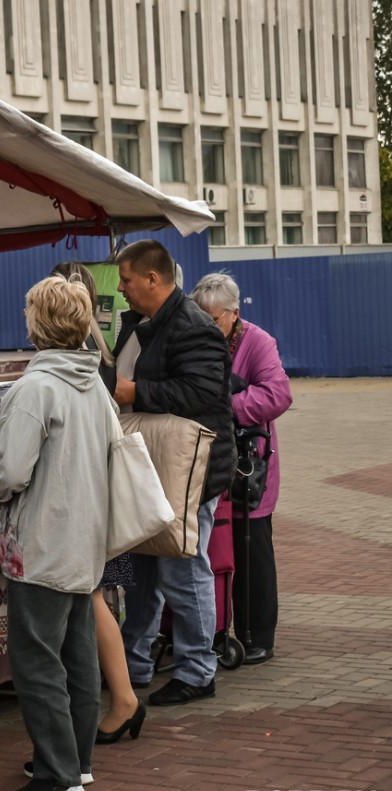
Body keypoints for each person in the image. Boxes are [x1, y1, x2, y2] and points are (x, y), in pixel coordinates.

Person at [0, 276, 117, 791]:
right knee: (77, 655)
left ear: (37, 322)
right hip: (86, 537)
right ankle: (76, 760)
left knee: (38, 659)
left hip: (42, 541)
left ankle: (57, 772)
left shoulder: (35, 387)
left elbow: (11, 472)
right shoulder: (94, 385)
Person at [110, 240, 235, 707]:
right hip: (150, 468)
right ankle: (133, 663)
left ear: (152, 279)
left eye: (125, 280)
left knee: (183, 569)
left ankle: (198, 671)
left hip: (187, 473)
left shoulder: (193, 327)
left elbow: (200, 393)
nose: (120, 288)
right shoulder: (141, 322)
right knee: (140, 568)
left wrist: (133, 392)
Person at [49, 262, 145, 744]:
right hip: (101, 495)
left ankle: (124, 698)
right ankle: (119, 696)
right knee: (95, 600)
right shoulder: (99, 355)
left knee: (92, 601)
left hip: (85, 501)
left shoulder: (74, 358)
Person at [190, 273, 292, 665]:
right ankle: (213, 633)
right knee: (215, 551)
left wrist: (224, 405)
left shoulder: (258, 341)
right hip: (209, 462)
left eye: (213, 319)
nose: (206, 325)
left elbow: (278, 393)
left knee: (253, 550)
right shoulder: (197, 339)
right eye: (200, 317)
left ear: (233, 314)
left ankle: (257, 636)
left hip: (249, 465)